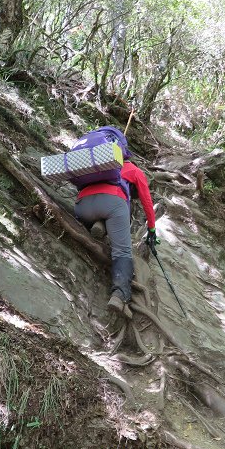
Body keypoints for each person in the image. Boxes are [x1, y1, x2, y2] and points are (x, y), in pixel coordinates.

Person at [73, 127, 158, 315]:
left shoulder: (96, 164)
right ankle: (119, 295)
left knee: (105, 212)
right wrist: (151, 229)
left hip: (82, 206)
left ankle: (98, 225)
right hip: (113, 204)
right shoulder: (134, 170)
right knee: (122, 250)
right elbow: (146, 201)